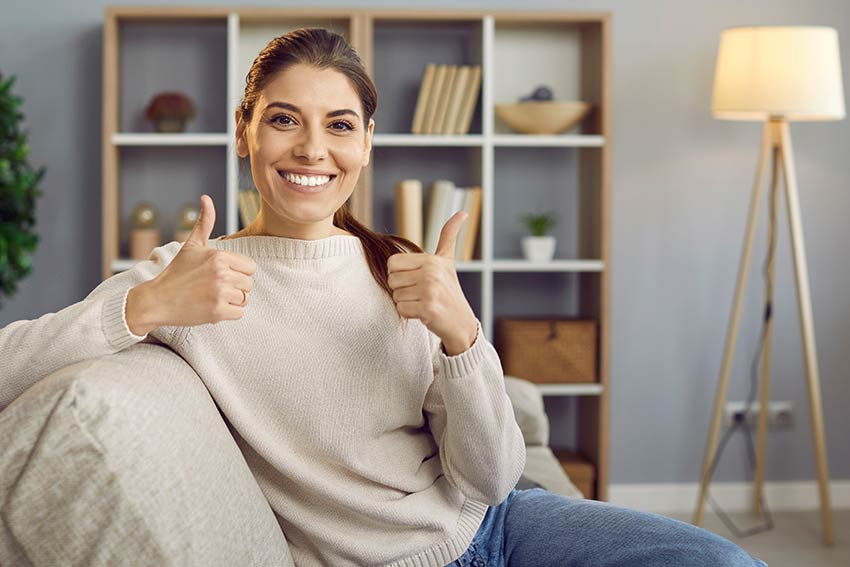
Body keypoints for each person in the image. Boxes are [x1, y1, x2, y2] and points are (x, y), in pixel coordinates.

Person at [0, 27, 766, 567]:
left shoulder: (399, 266)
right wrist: (148, 306)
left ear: (366, 142)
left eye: (339, 126)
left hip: (501, 525)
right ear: (244, 132)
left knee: (724, 562)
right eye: (283, 121)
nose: (311, 150)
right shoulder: (188, 275)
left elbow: (491, 480)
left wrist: (464, 336)